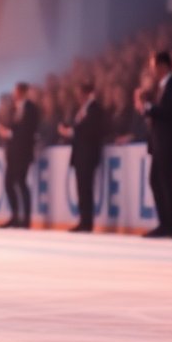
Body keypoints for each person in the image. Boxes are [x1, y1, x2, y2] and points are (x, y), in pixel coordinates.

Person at [135, 53, 172, 238]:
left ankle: (170, 226)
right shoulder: (162, 86)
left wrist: (149, 108)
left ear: (163, 66)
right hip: (159, 142)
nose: (152, 71)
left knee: (164, 181)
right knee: (156, 180)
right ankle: (165, 224)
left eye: (154, 66)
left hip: (167, 142)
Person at [58, 81, 106, 232]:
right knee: (81, 188)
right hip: (80, 153)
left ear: (86, 93)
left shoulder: (94, 109)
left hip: (88, 153)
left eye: (80, 93)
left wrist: (70, 132)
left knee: (86, 188)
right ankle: (83, 220)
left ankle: (87, 222)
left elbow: (90, 130)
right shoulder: (82, 110)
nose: (78, 97)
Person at [0, 82, 39, 229]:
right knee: (9, 183)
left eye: (16, 91)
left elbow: (28, 130)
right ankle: (15, 215)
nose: (14, 94)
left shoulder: (30, 108)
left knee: (21, 182)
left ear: (22, 92)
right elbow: (13, 127)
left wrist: (9, 133)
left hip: (24, 152)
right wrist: (6, 131)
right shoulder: (14, 109)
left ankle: (26, 219)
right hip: (13, 152)